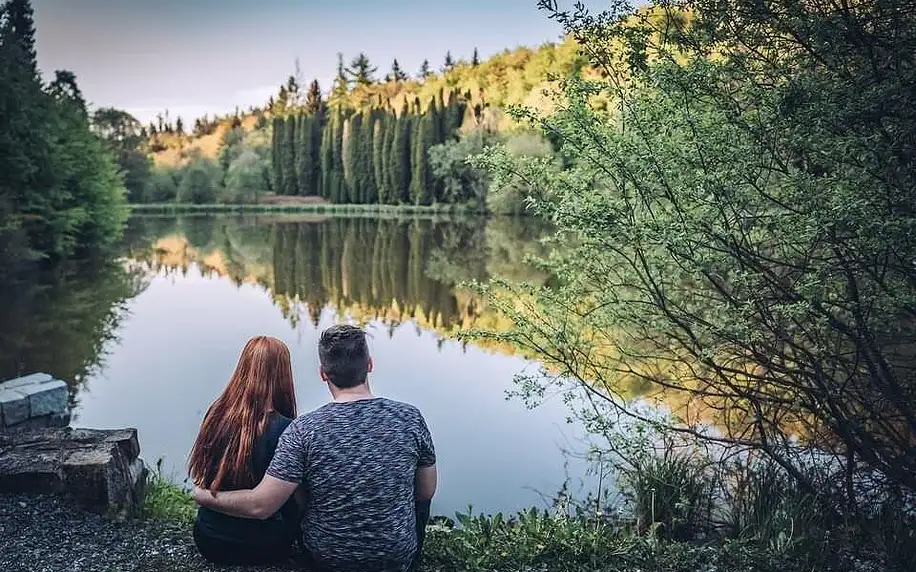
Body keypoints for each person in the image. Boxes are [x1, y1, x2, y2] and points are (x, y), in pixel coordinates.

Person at [194, 324, 438, 572]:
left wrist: (203, 495)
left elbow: (264, 504)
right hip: (396, 558)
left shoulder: (303, 429)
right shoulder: (410, 417)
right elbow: (425, 492)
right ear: (370, 365)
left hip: (327, 559)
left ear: (323, 374)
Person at [187, 335, 300, 565]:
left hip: (208, 539)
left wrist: (203, 495)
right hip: (264, 545)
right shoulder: (286, 429)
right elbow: (296, 502)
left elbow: (203, 475)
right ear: (283, 374)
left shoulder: (216, 414)